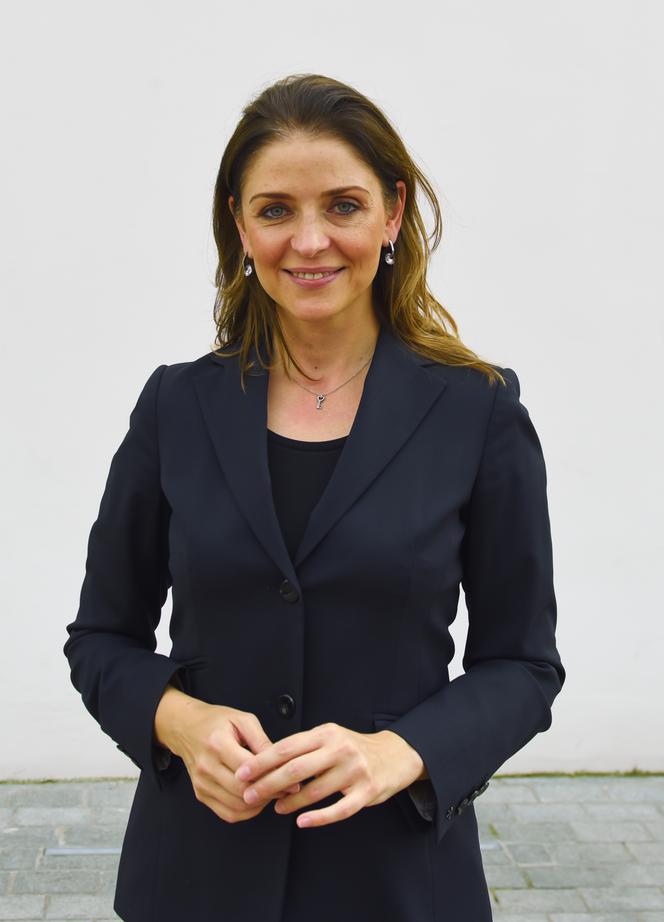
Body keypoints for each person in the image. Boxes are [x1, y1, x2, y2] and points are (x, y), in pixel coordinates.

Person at [63, 72, 566, 922]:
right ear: (239, 224)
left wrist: (403, 751)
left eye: (342, 205)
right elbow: (101, 639)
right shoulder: (175, 406)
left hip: (396, 882)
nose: (309, 240)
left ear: (392, 214)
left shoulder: (478, 410)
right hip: (197, 879)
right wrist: (178, 722)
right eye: (275, 210)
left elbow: (524, 665)